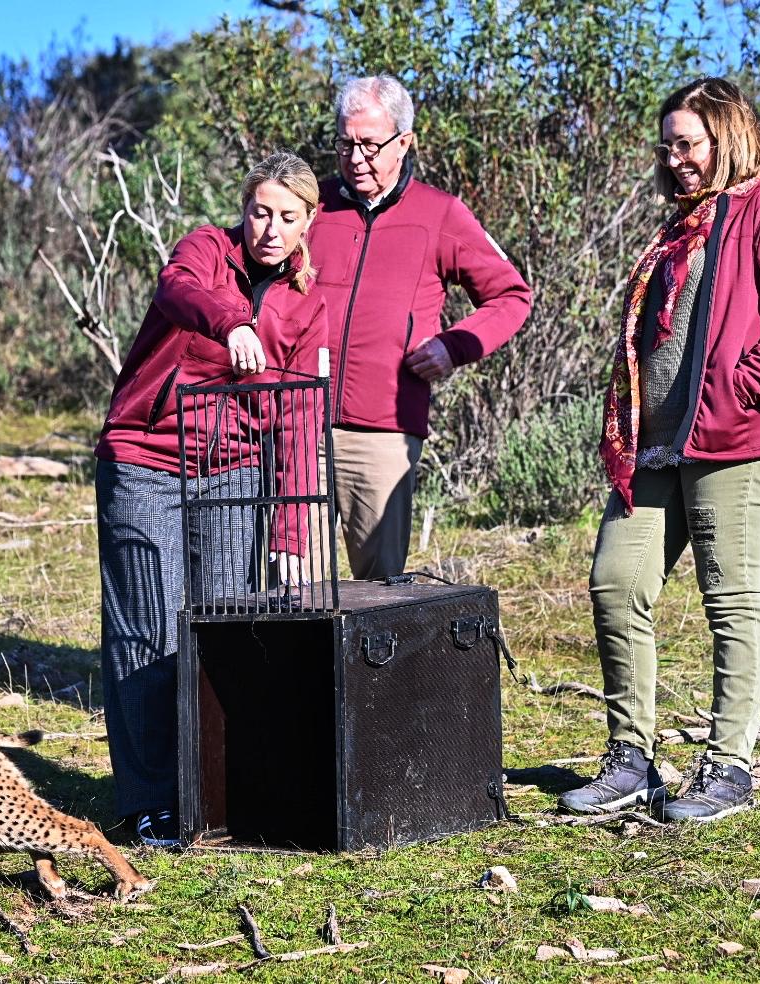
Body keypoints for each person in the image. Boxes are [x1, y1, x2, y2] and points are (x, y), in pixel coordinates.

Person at [560, 77, 760, 822]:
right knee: (617, 582)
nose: (676, 158)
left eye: (689, 144)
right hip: (658, 446)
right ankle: (631, 760)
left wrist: (742, 391)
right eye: (668, 145)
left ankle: (728, 767)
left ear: (728, 138)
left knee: (731, 598)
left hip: (735, 440)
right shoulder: (681, 229)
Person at [95, 152, 328, 848]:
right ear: (244, 209)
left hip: (232, 471)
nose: (270, 230)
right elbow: (178, 289)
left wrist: (288, 536)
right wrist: (232, 323)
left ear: (310, 221)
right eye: (260, 212)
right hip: (146, 459)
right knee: (149, 630)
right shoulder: (204, 250)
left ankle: (215, 794)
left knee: (220, 634)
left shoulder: (310, 299)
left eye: (288, 217)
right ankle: (150, 801)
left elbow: (296, 419)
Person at [307, 74, 532, 580]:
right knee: (294, 592)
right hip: (298, 424)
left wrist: (453, 348)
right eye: (345, 142)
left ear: (404, 141)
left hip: (384, 433)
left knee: (379, 588)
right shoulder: (310, 206)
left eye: (370, 144)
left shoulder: (441, 214)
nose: (355, 157)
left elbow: (512, 296)